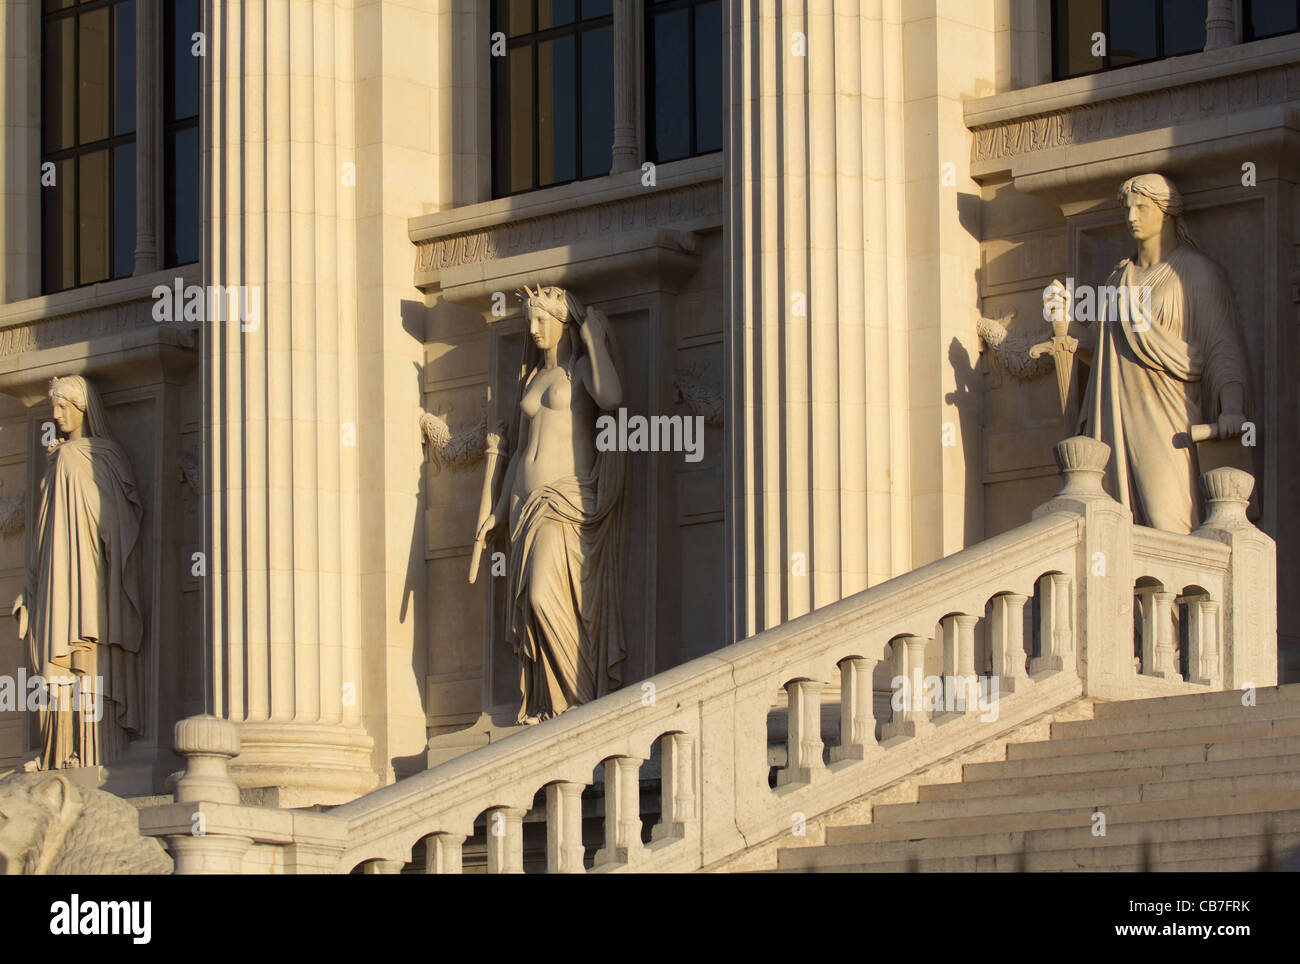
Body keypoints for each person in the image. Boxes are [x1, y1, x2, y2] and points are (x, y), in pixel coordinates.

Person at [1044, 173, 1251, 533]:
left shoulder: (1196, 273)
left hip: (1169, 423)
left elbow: (1222, 346)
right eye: (1127, 209)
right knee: (1116, 525)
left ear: (1167, 212)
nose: (1131, 217)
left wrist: (1231, 408)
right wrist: (1064, 324)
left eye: (1142, 208)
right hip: (1114, 418)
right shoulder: (1118, 279)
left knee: (1168, 520)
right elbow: (1103, 351)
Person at [474, 285, 627, 724]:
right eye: (531, 320)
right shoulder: (530, 379)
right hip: (524, 504)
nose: (536, 329)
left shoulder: (579, 371)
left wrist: (594, 338)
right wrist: (497, 512)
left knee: (541, 596)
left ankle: (582, 702)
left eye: (545, 320)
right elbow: (522, 451)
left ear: (564, 324)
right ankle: (553, 701)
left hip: (564, 500)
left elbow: (612, 399)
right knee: (532, 603)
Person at [12, 376, 144, 768]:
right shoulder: (59, 459)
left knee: (80, 650)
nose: (55, 415)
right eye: (53, 406)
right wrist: (30, 587)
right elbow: (41, 532)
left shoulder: (94, 456)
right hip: (55, 574)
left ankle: (90, 751)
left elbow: (116, 520)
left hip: (84, 572)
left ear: (82, 407)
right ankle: (57, 752)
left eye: (62, 406)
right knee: (52, 659)